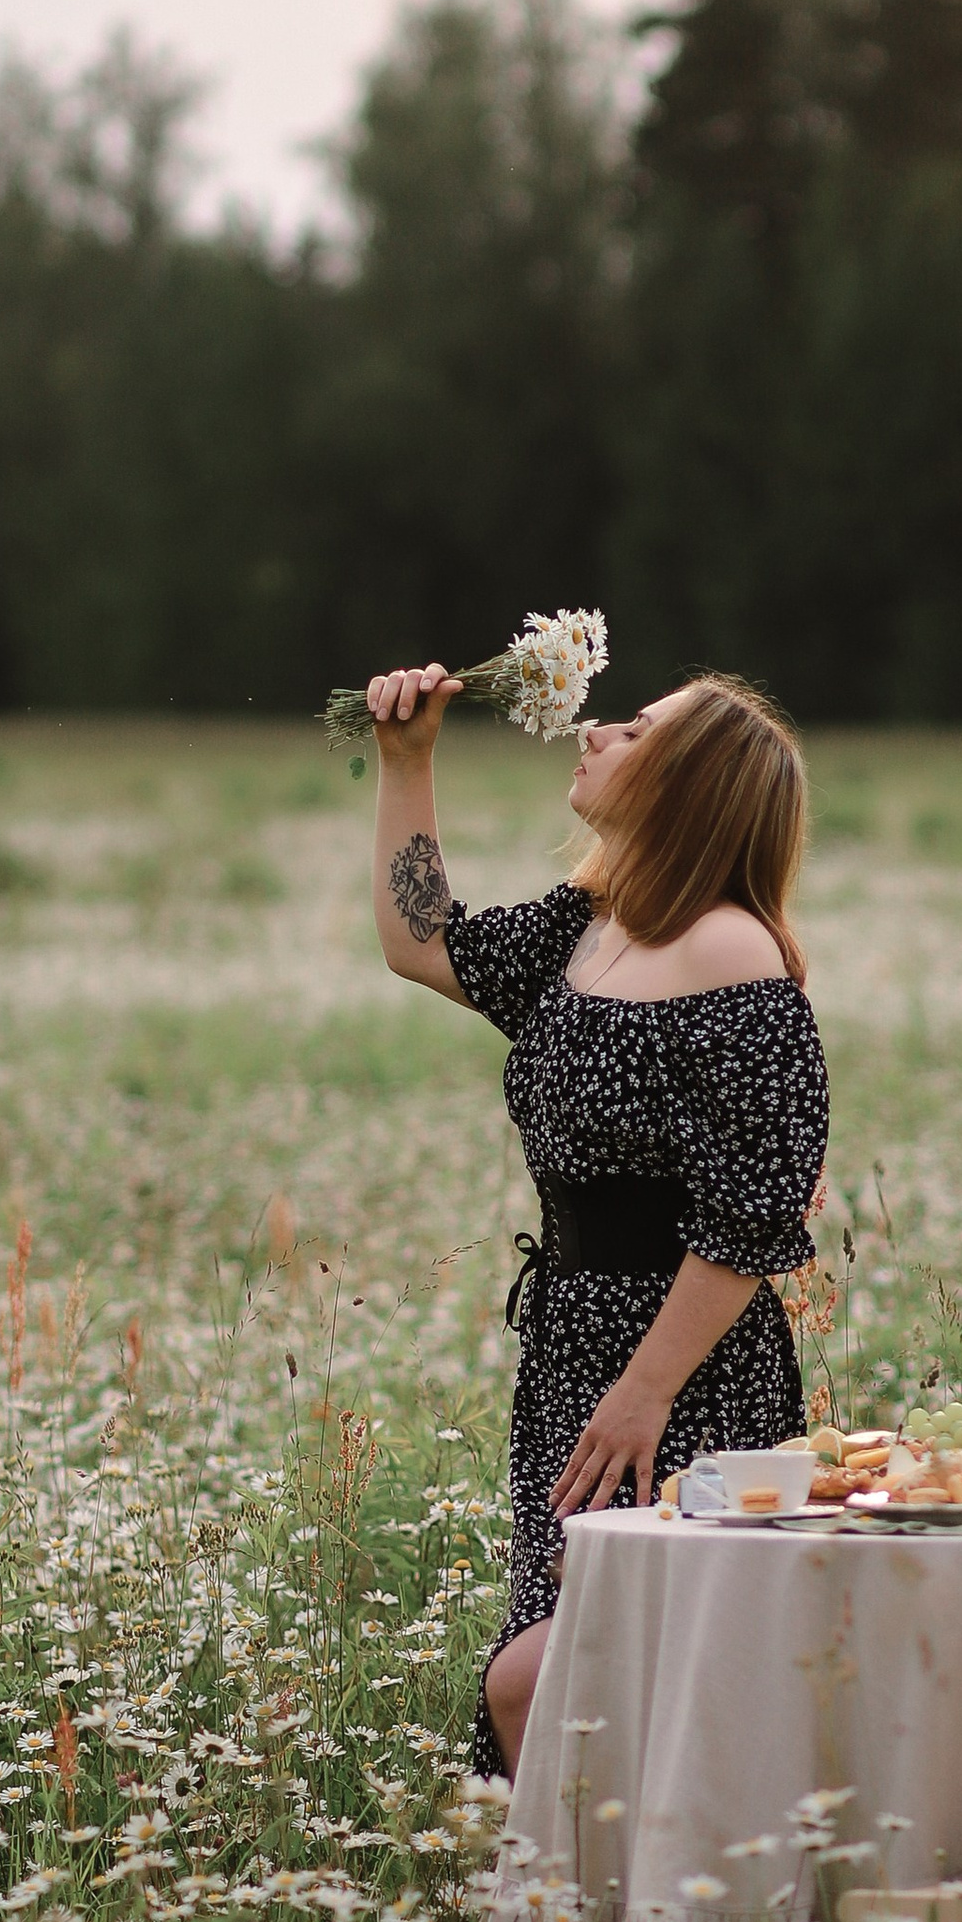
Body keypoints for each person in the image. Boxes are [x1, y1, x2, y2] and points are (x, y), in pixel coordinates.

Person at [363, 662, 830, 1774]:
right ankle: (588, 1883)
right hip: (571, 1347)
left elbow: (755, 1211)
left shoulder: (733, 953)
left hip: (684, 1368)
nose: (595, 732)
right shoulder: (591, 924)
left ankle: (630, 1877)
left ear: (690, 784)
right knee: (590, 1687)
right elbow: (421, 941)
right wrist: (407, 762)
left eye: (634, 730)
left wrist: (645, 1391)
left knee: (562, 1674)